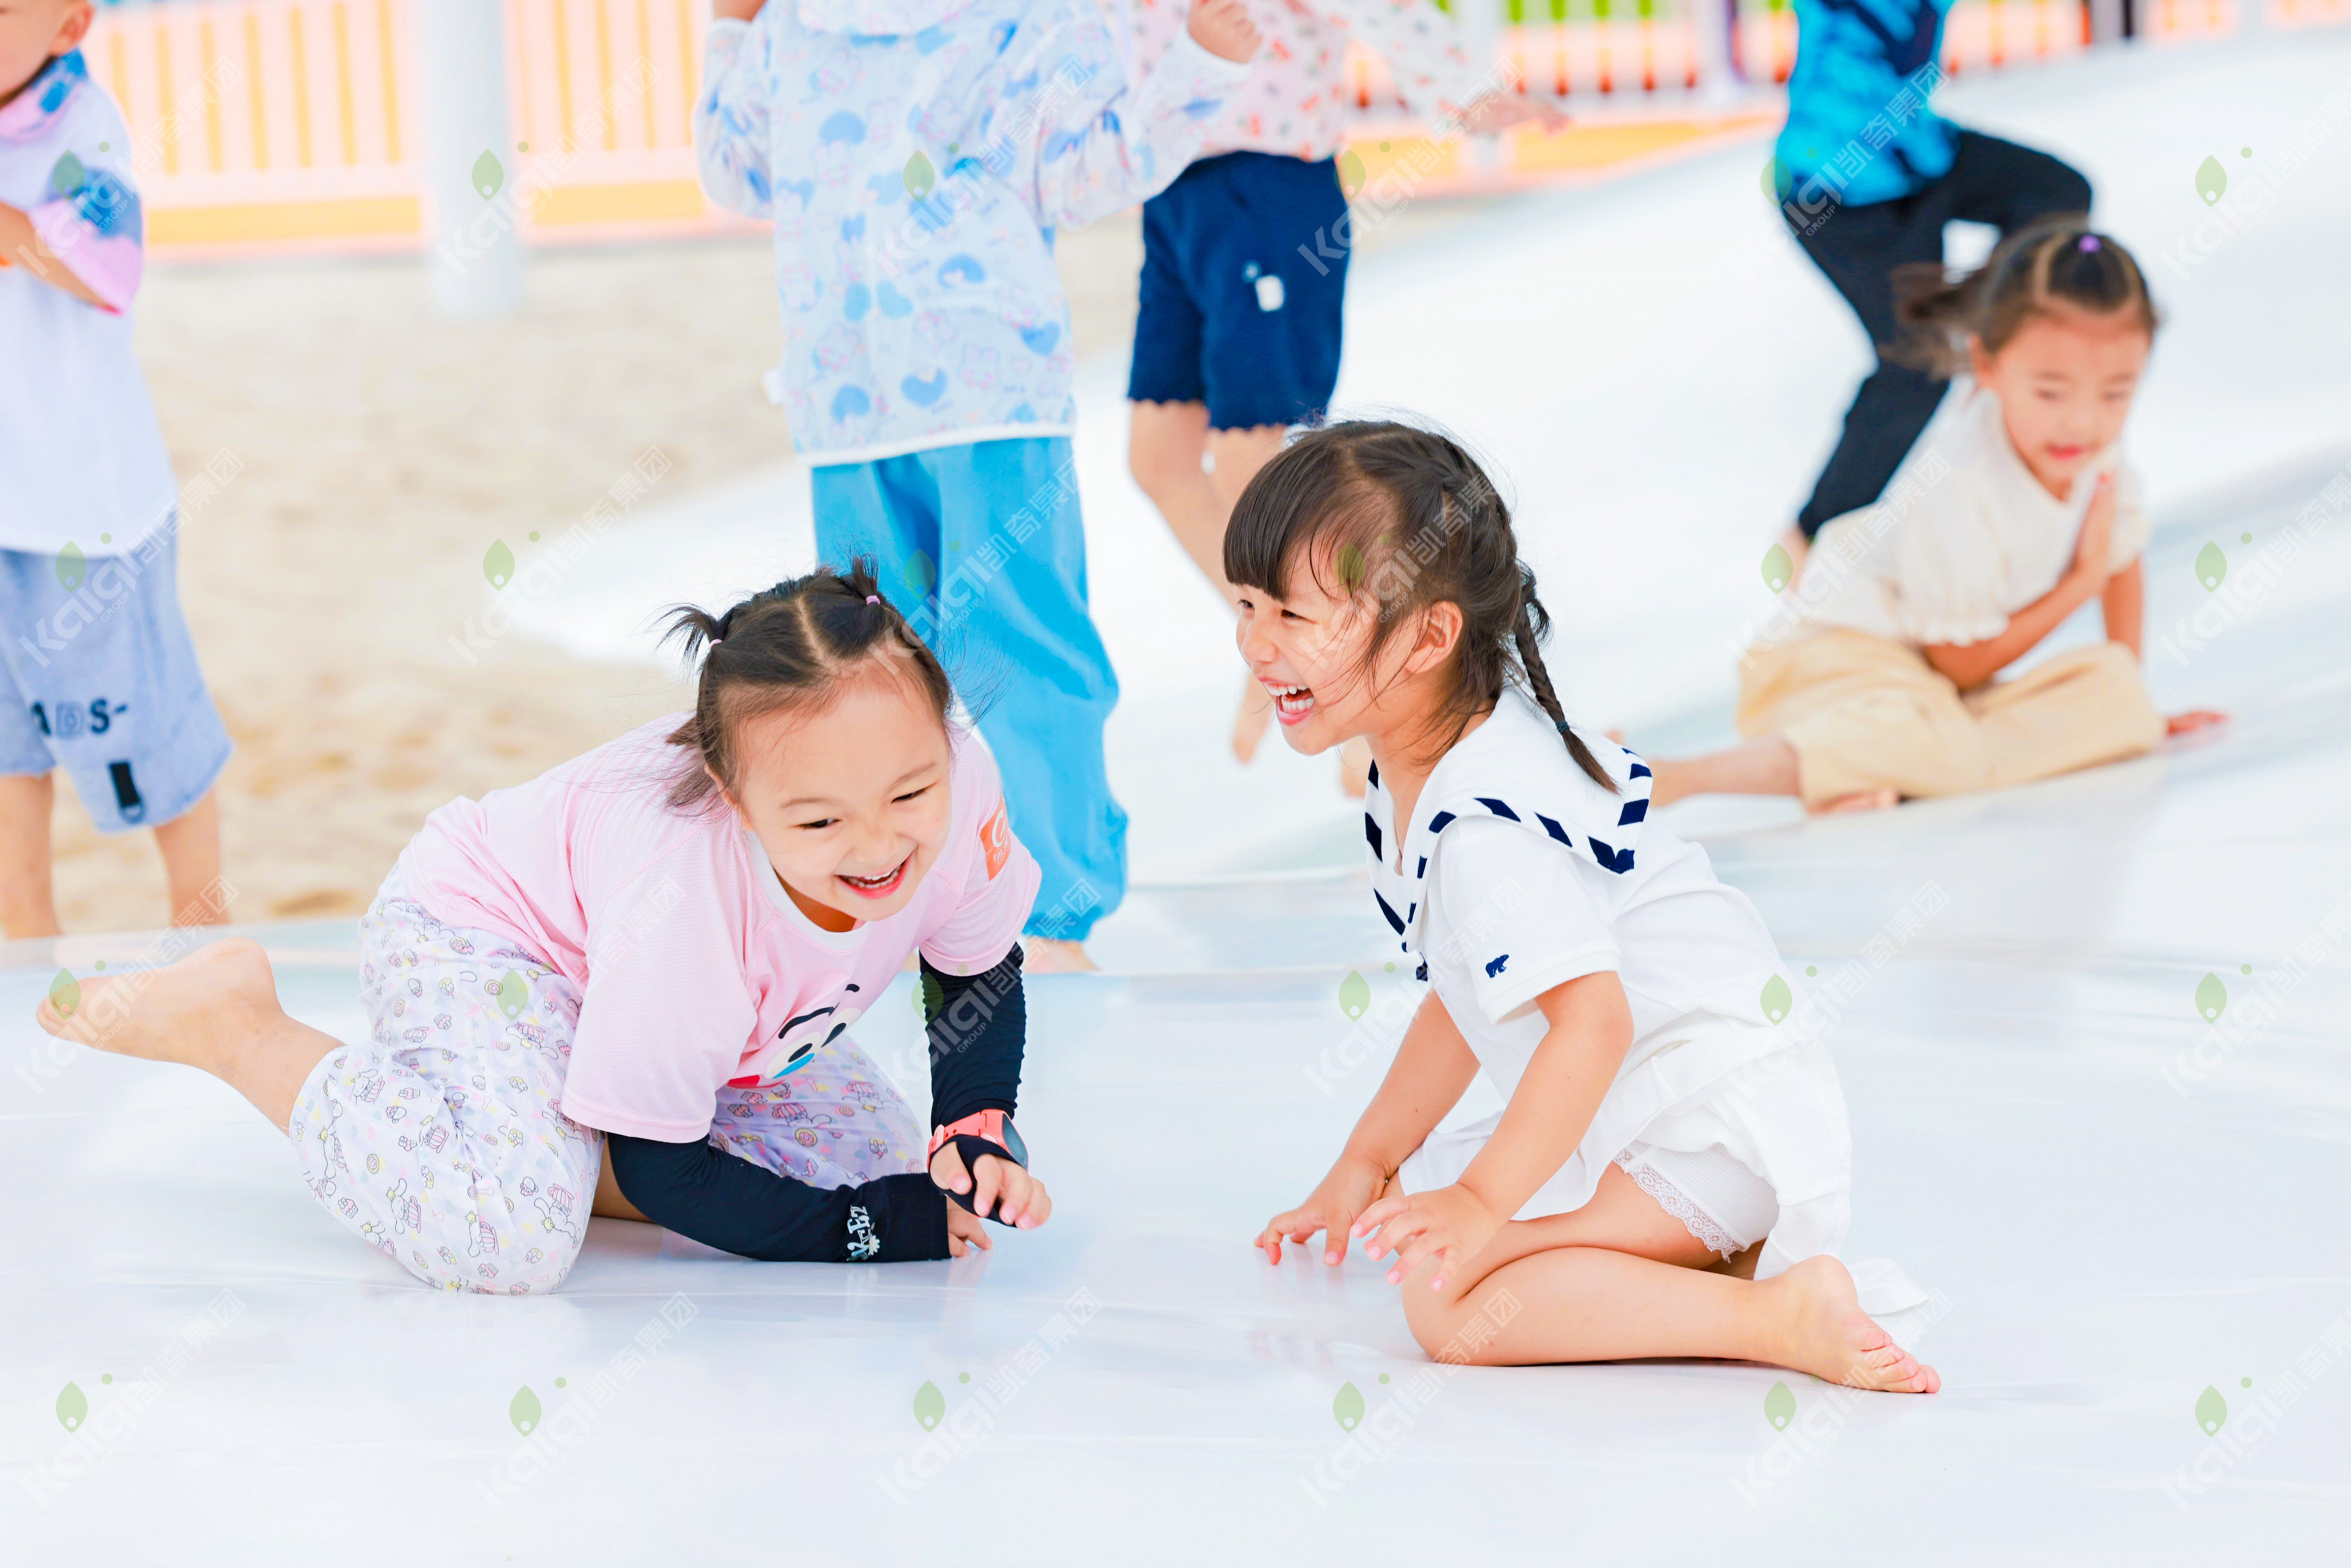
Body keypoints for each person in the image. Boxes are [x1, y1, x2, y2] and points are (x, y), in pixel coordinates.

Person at [36, 566, 1052, 1292]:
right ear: (735, 802)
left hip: (652, 995)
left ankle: (579, 1126)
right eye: (820, 821)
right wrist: (864, 1232)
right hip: (488, 938)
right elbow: (667, 1170)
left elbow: (975, 964)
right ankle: (237, 1027)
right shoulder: (691, 900)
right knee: (513, 1238)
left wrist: (976, 1124)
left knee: (872, 1152)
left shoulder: (960, 786)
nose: (878, 846)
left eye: (909, 792)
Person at [1238, 421, 1937, 1390]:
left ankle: (1774, 1314)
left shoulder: (1483, 830)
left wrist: (1486, 1204)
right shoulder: (1443, 752)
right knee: (1432, 1206)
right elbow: (1470, 991)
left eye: (1297, 616)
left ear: (1432, 635)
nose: (1256, 646)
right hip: (1676, 1106)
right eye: (1246, 605)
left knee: (1447, 1302)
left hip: (1707, 1127)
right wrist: (1367, 1160)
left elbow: (1594, 1023)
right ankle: (1690, 1259)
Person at [695, 0, 1262, 971]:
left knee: (1021, 649)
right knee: (866, 670)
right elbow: (740, 170)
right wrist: (735, 31)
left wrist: (1196, 72)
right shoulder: (796, 24)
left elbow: (1085, 168)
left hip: (990, 393)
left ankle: (1046, 916)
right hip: (846, 404)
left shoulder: (1031, 16)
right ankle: (901, 902)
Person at [1120, 0, 1561, 791]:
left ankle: (1349, 688)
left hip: (1269, 177)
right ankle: (1292, 649)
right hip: (1172, 186)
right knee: (1158, 457)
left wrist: (1466, 92)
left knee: (1256, 465)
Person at [1650, 222, 2224, 812]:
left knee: (2116, 702)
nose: (2082, 422)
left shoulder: (2090, 452)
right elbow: (1960, 657)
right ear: (1987, 364)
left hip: (1939, 691)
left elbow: (2120, 558)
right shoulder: (1959, 481)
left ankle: (1877, 768)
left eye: (2115, 393)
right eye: (2051, 392)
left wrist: (2130, 692)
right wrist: (2081, 583)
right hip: (1835, 664)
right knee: (1939, 739)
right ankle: (1683, 777)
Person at [0, 1, 231, 938]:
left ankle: (201, 927)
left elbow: (110, 263)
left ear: (65, 28)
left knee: (145, 734)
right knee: (11, 747)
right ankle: (26, 933)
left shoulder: (79, 125)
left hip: (81, 511)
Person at [1770, 0, 2093, 579]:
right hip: (1840, 201)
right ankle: (1812, 542)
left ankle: (1968, 324)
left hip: (1924, 160)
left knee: (2056, 195)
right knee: (1915, 371)